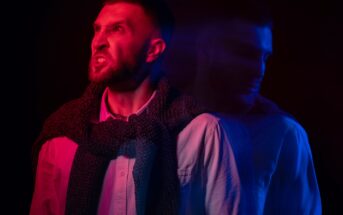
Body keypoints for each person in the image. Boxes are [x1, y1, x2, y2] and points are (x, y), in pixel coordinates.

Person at [29, 0, 241, 214]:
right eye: (97, 29)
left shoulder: (201, 132)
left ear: (153, 49)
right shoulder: (62, 135)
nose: (98, 42)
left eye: (117, 29)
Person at [190, 2, 322, 214]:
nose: (260, 70)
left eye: (265, 58)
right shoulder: (163, 122)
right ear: (207, 48)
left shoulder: (284, 135)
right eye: (246, 54)